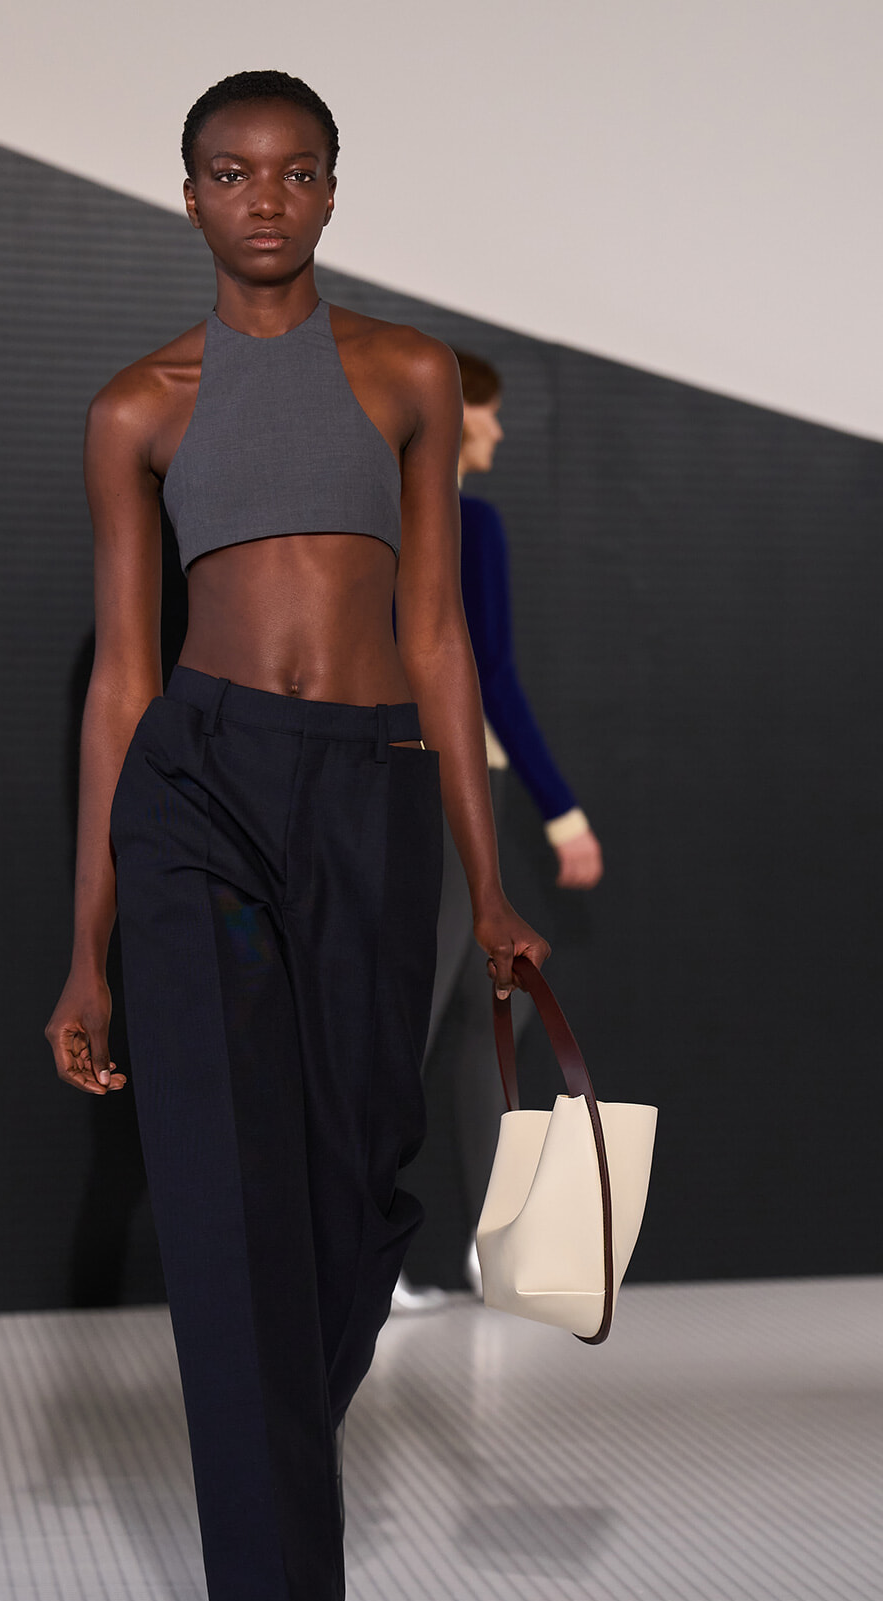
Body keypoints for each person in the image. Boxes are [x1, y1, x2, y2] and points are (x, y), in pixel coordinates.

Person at [44, 69, 549, 1601]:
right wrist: (85, 950)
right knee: (219, 1186)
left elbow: (439, 641)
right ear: (186, 195)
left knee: (356, 1174)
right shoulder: (142, 408)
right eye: (228, 172)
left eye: (294, 171)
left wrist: (490, 887)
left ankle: (266, 1432)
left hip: (366, 785)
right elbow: (122, 680)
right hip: (197, 787)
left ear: (333, 193)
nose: (263, 196)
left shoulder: (401, 377)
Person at [394, 351, 603, 1309]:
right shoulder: (465, 522)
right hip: (454, 782)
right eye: (488, 412)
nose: (498, 430)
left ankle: (490, 1246)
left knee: (486, 1013)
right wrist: (564, 813)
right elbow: (494, 679)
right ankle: (370, 1255)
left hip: (405, 778)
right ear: (456, 414)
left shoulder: (382, 520)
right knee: (421, 1017)